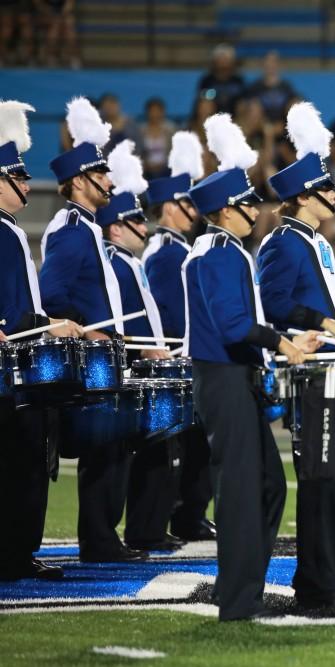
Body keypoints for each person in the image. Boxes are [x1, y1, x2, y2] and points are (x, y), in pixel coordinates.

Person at [184, 112, 321, 621]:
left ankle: (238, 587)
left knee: (265, 486)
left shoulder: (226, 250)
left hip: (232, 376)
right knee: (243, 492)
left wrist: (285, 339)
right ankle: (238, 602)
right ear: (224, 210)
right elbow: (233, 324)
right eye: (245, 204)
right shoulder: (220, 251)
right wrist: (283, 344)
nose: (254, 211)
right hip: (222, 377)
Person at [259, 102, 335, 613]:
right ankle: (316, 585)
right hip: (313, 375)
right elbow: (274, 304)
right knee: (326, 480)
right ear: (303, 196)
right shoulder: (284, 240)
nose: (334, 194)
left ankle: (325, 575)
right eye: (325, 189)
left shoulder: (314, 241)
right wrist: (322, 324)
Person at [41, 97, 142, 563]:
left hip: (107, 353)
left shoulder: (89, 228)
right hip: (91, 357)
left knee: (114, 446)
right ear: (79, 181)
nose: (109, 181)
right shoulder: (70, 228)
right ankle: (98, 540)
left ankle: (105, 538)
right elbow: (52, 296)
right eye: (100, 174)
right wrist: (86, 333)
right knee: (103, 446)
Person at [0, 100, 84, 582]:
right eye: (19, 178)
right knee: (20, 463)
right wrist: (48, 326)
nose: (28, 186)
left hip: (18, 368)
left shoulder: (10, 230)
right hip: (10, 373)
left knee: (27, 461)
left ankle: (17, 551)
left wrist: (46, 324)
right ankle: (13, 553)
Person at [94, 141, 178, 553]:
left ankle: (143, 528)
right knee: (112, 457)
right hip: (121, 370)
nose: (145, 228)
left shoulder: (132, 263)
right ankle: (102, 537)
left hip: (141, 368)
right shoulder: (114, 263)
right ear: (115, 227)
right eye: (134, 222)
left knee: (141, 455)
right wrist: (142, 350)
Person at [144, 131, 216, 542]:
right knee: (180, 446)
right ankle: (180, 514)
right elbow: (170, 312)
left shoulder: (177, 249)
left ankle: (191, 513)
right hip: (175, 357)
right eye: (187, 203)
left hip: (186, 355)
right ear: (169, 207)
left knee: (195, 446)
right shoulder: (165, 251)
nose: (194, 211)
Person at [246, 51, 299, 124]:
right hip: (260, 127)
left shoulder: (286, 87)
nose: (271, 65)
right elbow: (251, 112)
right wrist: (265, 126)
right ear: (263, 64)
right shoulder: (255, 87)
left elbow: (292, 106)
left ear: (279, 64)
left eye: (274, 61)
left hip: (283, 127)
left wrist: (280, 126)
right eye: (268, 61)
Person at [196, 43, 247, 116]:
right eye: (220, 58)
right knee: (205, 106)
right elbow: (203, 100)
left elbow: (242, 101)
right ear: (214, 61)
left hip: (233, 117)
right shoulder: (207, 81)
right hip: (213, 117)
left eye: (226, 58)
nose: (223, 62)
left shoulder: (238, 81)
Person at [138, 97, 175, 179]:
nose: (154, 114)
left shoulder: (170, 130)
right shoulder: (141, 131)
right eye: (152, 111)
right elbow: (138, 152)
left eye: (157, 111)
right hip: (146, 170)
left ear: (162, 112)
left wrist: (164, 164)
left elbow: (174, 151)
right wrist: (146, 164)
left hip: (167, 168)